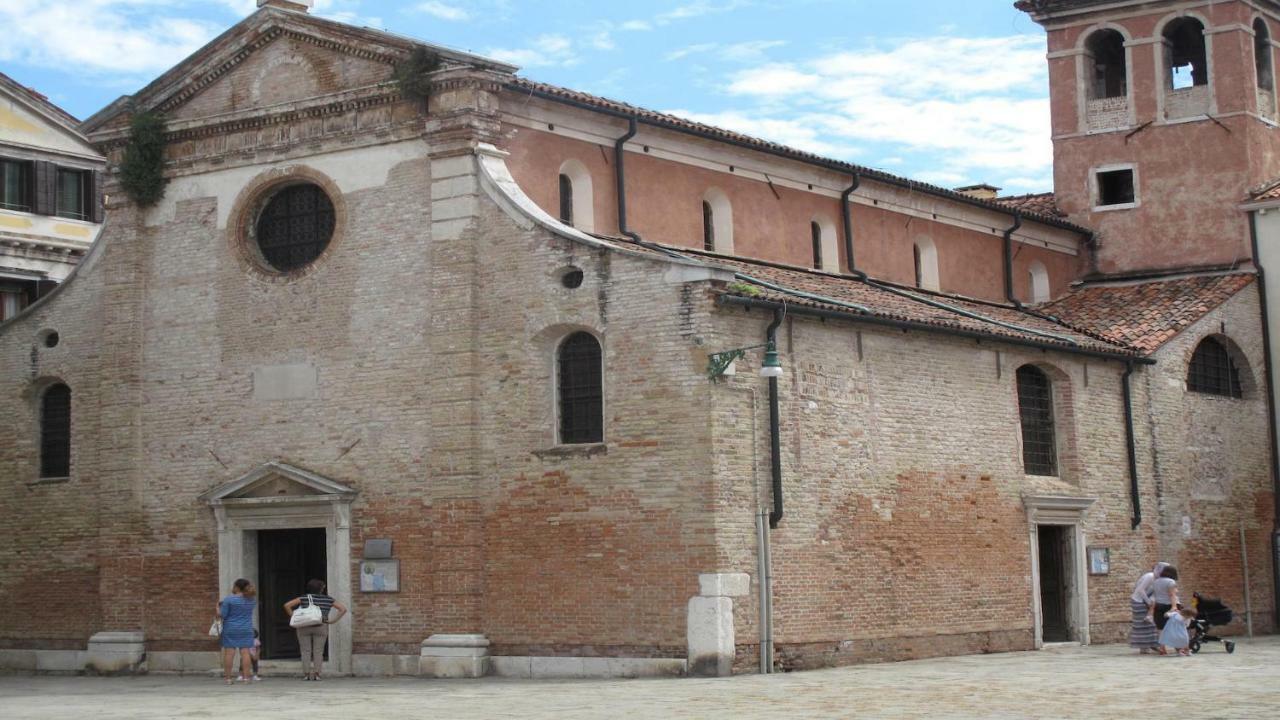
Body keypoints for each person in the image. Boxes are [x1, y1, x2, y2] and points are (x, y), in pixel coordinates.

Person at [283, 579, 348, 681]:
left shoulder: (304, 598)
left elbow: (287, 605)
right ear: (321, 589)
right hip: (321, 626)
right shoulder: (328, 599)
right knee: (318, 651)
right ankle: (317, 674)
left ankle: (306, 674)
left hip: (303, 626)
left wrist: (294, 617)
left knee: (305, 651)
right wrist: (333, 621)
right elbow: (343, 609)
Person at [216, 578, 258, 685]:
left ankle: (228, 678)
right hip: (246, 628)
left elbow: (223, 615)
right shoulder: (252, 599)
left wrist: (217, 608)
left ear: (237, 587)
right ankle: (246, 678)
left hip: (230, 628)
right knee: (245, 653)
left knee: (229, 653)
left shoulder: (229, 599)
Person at [1129, 561, 1169, 654]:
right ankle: (1146, 646)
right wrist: (1148, 602)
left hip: (1145, 602)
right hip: (1138, 601)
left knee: (1150, 624)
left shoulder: (1158, 579)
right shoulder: (1150, 576)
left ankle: (1150, 645)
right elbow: (1140, 590)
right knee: (1143, 624)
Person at [1151, 565, 1180, 654]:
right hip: (1169, 606)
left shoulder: (1156, 582)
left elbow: (1155, 596)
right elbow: (1172, 595)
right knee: (1175, 627)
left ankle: (1162, 648)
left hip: (1159, 606)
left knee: (1160, 628)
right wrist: (1174, 607)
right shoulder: (1171, 582)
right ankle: (1178, 647)